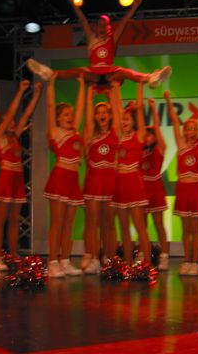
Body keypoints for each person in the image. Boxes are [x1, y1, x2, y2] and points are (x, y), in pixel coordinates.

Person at [27, 0, 172, 90]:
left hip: (110, 75)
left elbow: (124, 22)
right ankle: (48, 73)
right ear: (96, 27)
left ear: (109, 27)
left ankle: (151, 78)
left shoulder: (112, 39)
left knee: (126, 72)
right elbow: (83, 20)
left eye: (104, 25)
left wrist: (135, 6)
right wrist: (73, 4)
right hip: (93, 75)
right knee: (76, 71)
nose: (101, 27)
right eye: (99, 24)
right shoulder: (92, 39)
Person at [0, 80, 42, 269]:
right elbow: (12, 113)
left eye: (12, 121)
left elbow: (26, 114)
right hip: (6, 177)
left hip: (17, 179)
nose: (12, 122)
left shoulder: (15, 136)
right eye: (9, 121)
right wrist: (21, 91)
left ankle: (13, 254)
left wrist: (36, 94)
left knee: (14, 219)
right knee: (0, 219)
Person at [164, 89, 198, 276]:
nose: (191, 131)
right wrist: (169, 100)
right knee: (185, 229)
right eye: (188, 128)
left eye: (194, 129)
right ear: (183, 132)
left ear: (197, 132)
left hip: (196, 188)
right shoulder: (181, 145)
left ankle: (195, 262)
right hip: (183, 188)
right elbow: (175, 122)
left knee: (195, 229)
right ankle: (186, 260)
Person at [44, 73, 85, 277]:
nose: (70, 117)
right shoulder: (54, 131)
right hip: (60, 178)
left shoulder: (75, 131)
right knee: (57, 223)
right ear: (58, 118)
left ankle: (65, 261)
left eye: (71, 114)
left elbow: (81, 108)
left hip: (73, 181)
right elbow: (50, 106)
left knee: (69, 224)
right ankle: (53, 262)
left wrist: (82, 85)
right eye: (66, 114)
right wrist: (51, 83)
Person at [110, 81, 151, 265]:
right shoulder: (119, 136)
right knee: (124, 228)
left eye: (127, 119)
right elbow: (117, 108)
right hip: (119, 183)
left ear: (134, 121)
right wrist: (116, 88)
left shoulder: (139, 135)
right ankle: (127, 264)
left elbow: (140, 108)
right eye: (122, 119)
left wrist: (140, 85)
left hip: (134, 182)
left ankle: (147, 265)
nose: (124, 122)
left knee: (140, 226)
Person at [81, 85, 118, 273]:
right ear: (95, 116)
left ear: (110, 116)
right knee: (92, 223)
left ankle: (110, 259)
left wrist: (112, 94)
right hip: (94, 181)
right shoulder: (90, 133)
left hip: (110, 181)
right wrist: (89, 95)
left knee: (109, 224)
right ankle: (94, 258)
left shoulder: (115, 132)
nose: (102, 115)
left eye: (105, 112)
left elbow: (117, 110)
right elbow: (87, 118)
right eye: (99, 112)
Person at [142, 98, 169, 270]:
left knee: (159, 224)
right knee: (142, 226)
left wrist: (153, 108)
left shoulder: (159, 149)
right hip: (142, 189)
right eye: (145, 135)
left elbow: (157, 128)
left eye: (150, 135)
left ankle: (164, 256)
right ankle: (142, 255)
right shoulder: (139, 151)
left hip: (156, 188)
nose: (147, 137)